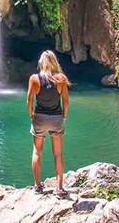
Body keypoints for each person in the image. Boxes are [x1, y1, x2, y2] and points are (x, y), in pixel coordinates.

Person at [26, 50, 71, 196]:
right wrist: (63, 117)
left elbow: (29, 101)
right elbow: (66, 101)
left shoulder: (34, 78)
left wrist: (31, 116)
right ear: (54, 62)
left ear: (41, 63)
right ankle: (59, 189)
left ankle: (37, 186)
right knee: (58, 154)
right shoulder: (61, 79)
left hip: (39, 118)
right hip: (56, 118)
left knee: (37, 152)